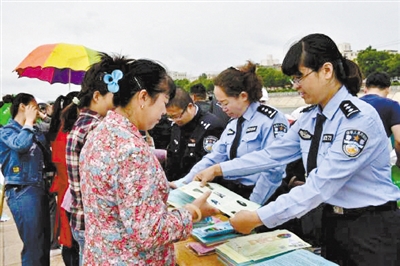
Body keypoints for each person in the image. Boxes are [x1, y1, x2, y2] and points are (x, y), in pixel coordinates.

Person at [193, 33, 400, 266]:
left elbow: (320, 186)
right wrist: (219, 168)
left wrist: (258, 217)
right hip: (333, 222)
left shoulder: (357, 120)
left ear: (327, 71)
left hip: (370, 227)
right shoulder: (310, 118)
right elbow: (272, 154)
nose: (297, 86)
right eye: (293, 79)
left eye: (299, 77)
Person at [79, 58, 218, 265]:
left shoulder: (99, 133)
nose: (164, 113)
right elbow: (149, 232)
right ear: (143, 97)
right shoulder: (132, 150)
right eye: (163, 102)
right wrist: (193, 212)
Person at [173, 61, 289, 205]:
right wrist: (184, 182)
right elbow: (215, 156)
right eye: (219, 104)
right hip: (234, 194)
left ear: (243, 96)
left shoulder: (271, 120)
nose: (222, 108)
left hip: (264, 195)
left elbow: (274, 169)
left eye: (225, 103)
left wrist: (252, 206)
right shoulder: (233, 123)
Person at [64, 52, 118, 265]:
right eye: (116, 96)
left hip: (82, 220)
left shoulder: (83, 123)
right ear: (97, 96)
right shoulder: (97, 129)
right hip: (93, 223)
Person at [0, 93, 51, 265]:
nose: (38, 111)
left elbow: (52, 128)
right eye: (35, 107)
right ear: (23, 106)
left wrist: (41, 117)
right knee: (34, 246)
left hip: (39, 188)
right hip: (22, 190)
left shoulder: (34, 130)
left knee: (43, 245)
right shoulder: (6, 131)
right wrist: (28, 122)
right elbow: (21, 145)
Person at [47, 91, 80, 266]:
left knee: (68, 239)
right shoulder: (72, 135)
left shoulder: (58, 131)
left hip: (64, 191)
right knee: (74, 242)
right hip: (72, 193)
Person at [164, 87, 225, 181]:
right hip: (175, 184)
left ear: (190, 107)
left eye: (177, 116)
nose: (175, 120)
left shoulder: (211, 126)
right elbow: (172, 157)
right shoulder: (176, 125)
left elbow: (211, 163)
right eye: (170, 117)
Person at [360, 71, 400, 167]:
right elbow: (399, 140)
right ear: (388, 89)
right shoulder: (392, 105)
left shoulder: (353, 104)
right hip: (379, 162)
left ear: (366, 88)